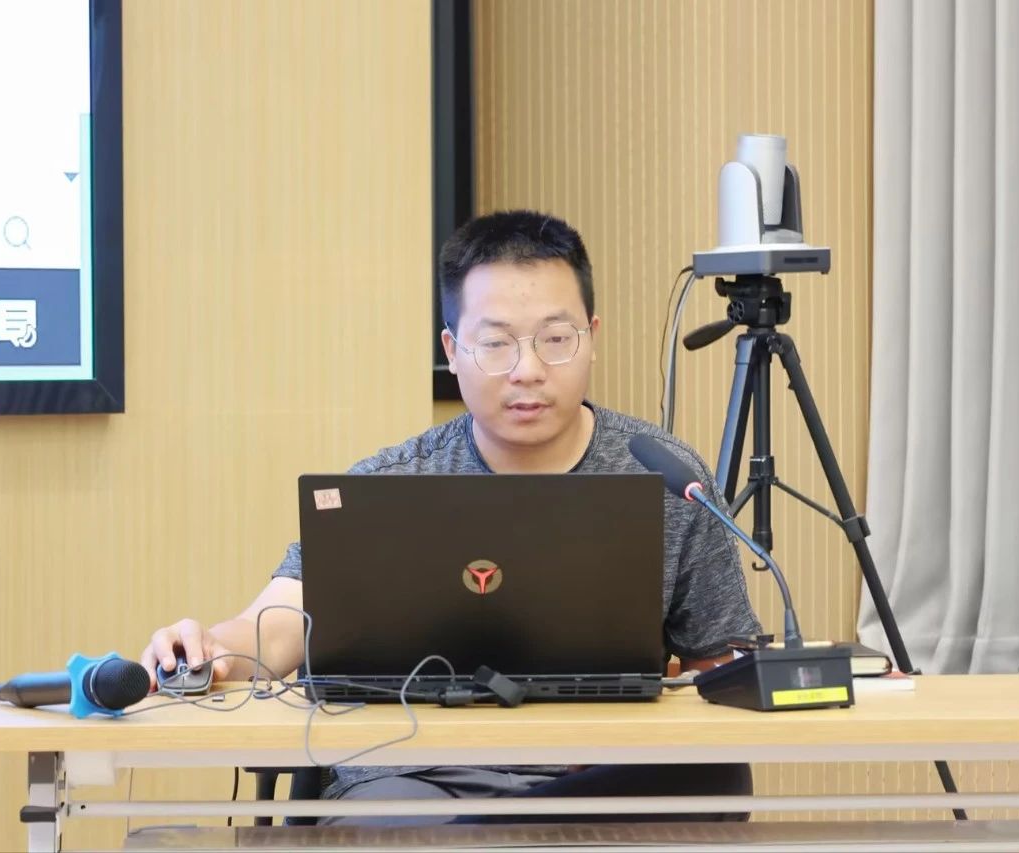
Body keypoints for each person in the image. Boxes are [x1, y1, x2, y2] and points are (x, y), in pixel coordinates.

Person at [139, 209, 761, 824]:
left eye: (555, 339)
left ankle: (514, 829)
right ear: (452, 351)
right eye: (495, 343)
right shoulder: (386, 486)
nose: (528, 370)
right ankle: (515, 831)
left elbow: (722, 663)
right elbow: (277, 625)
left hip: (594, 777)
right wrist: (208, 650)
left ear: (591, 337)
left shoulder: (667, 478)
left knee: (718, 776)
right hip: (412, 779)